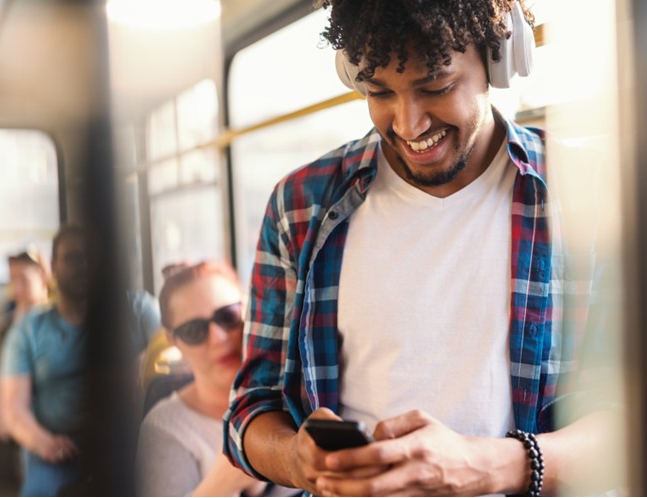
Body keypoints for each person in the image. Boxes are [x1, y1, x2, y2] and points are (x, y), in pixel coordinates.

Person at [225, 1, 613, 496]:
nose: (408, 126)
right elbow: (250, 410)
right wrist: (296, 460)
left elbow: (645, 412)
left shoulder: (589, 191)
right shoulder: (299, 205)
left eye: (437, 87)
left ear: (499, 56)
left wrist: (494, 465)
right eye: (379, 92)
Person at [136, 261, 285, 497]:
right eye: (194, 331)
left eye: (228, 316)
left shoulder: (296, 391)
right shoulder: (164, 427)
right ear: (174, 340)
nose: (218, 338)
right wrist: (221, 483)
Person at [0, 225, 91, 496]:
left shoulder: (134, 312)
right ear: (54, 266)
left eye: (23, 280)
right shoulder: (24, 328)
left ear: (43, 277)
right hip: (52, 441)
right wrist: (44, 443)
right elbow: (14, 408)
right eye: (72, 258)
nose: (16, 289)